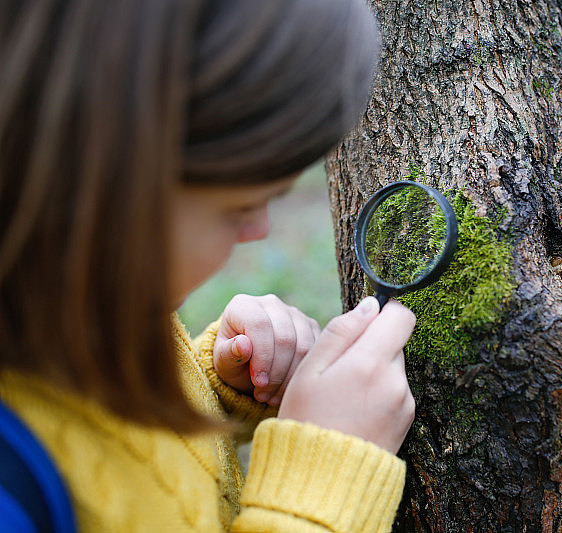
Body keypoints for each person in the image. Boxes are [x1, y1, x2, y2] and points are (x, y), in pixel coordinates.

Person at [0, 0, 417, 531]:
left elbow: (127, 453)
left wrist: (216, 387)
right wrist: (320, 489)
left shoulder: (91, 305)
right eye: (240, 208)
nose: (259, 230)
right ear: (98, 183)